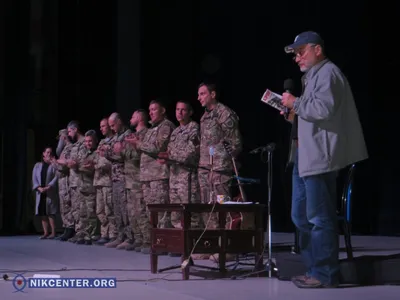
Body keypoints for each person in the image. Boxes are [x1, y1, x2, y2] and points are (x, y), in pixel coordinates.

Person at [281, 31, 368, 288]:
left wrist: (296, 102)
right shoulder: (313, 77)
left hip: (319, 157)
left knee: (319, 217)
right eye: (295, 54)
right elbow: (314, 114)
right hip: (303, 156)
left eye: (301, 51)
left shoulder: (328, 73)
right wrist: (292, 114)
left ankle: (325, 274)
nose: (297, 58)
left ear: (317, 50)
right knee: (300, 217)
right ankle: (314, 269)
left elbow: (323, 109)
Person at [32, 147, 59, 239]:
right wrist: (38, 187)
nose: (49, 154)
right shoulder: (37, 165)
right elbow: (34, 178)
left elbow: (57, 176)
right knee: (42, 212)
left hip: (49, 191)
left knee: (51, 212)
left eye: (51, 152)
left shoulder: (53, 165)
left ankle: (53, 232)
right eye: (47, 152)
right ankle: (45, 232)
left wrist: (49, 186)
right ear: (43, 154)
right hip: (40, 192)